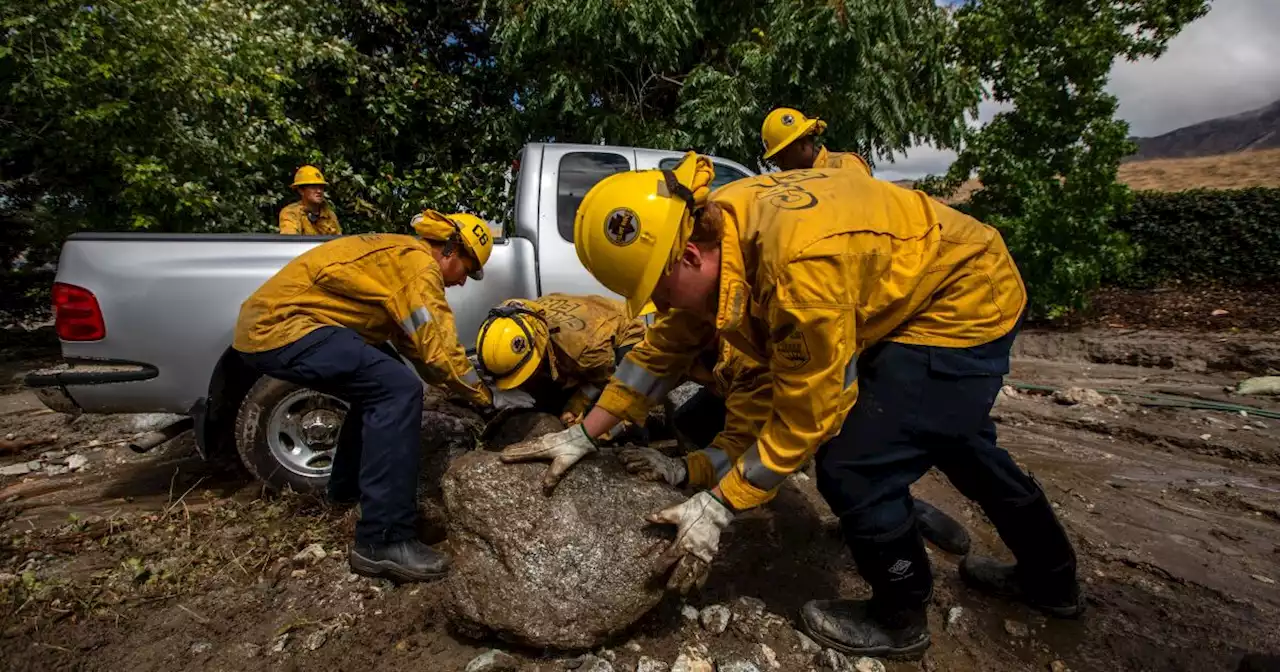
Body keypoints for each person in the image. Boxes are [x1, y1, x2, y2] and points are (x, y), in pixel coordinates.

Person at [502, 153, 1082, 657]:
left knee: (855, 465)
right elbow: (663, 348)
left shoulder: (796, 275)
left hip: (962, 301)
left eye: (656, 288)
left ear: (688, 257)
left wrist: (718, 505)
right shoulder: (711, 225)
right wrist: (585, 433)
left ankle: (900, 616)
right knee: (955, 436)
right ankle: (1052, 580)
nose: (656, 303)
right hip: (916, 284)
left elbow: (807, 415)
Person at [235, 209, 522, 583]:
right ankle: (382, 541)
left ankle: (344, 491)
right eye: (467, 270)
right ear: (451, 250)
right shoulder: (419, 267)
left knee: (381, 382)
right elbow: (437, 347)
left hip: (276, 325)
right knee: (396, 389)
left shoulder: (402, 261)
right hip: (282, 327)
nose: (464, 281)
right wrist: (487, 397)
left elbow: (420, 349)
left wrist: (467, 388)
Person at [620, 339, 972, 558]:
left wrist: (684, 471)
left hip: (837, 379)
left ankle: (899, 510)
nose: (687, 377)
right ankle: (722, 482)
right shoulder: (700, 340)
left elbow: (746, 441)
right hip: (760, 375)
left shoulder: (745, 359)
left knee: (841, 460)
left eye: (690, 371)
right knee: (693, 419)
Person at [474, 293, 646, 425]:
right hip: (581, 314)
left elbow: (601, 381)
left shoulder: (586, 350)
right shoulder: (514, 316)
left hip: (622, 327)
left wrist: (574, 407)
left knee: (620, 403)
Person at [761, 107, 873, 176]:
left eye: (783, 155)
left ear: (803, 142)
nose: (780, 164)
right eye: (775, 159)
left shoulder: (845, 164)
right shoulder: (791, 183)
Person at [279, 165, 342, 235]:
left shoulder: (329, 215)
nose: (319, 191)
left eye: (321, 187)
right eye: (313, 187)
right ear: (301, 191)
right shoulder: (291, 213)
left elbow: (339, 241)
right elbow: (290, 241)